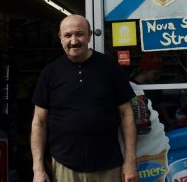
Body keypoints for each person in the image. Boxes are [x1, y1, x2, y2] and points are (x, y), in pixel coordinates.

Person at [30, 14, 138, 182]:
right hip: (65, 166)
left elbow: (127, 114)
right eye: (67, 35)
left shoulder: (110, 68)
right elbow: (39, 122)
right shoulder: (49, 73)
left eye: (79, 34)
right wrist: (38, 168)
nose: (74, 41)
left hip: (108, 165)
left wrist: (130, 161)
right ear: (60, 38)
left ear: (89, 35)